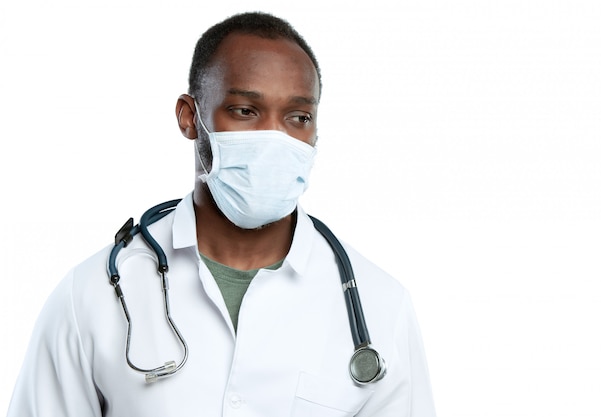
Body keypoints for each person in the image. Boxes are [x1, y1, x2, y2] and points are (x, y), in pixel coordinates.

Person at [7, 11, 436, 417]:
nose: (274, 137)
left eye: (297, 117)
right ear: (189, 117)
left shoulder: (382, 307)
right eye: (245, 111)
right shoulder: (91, 296)